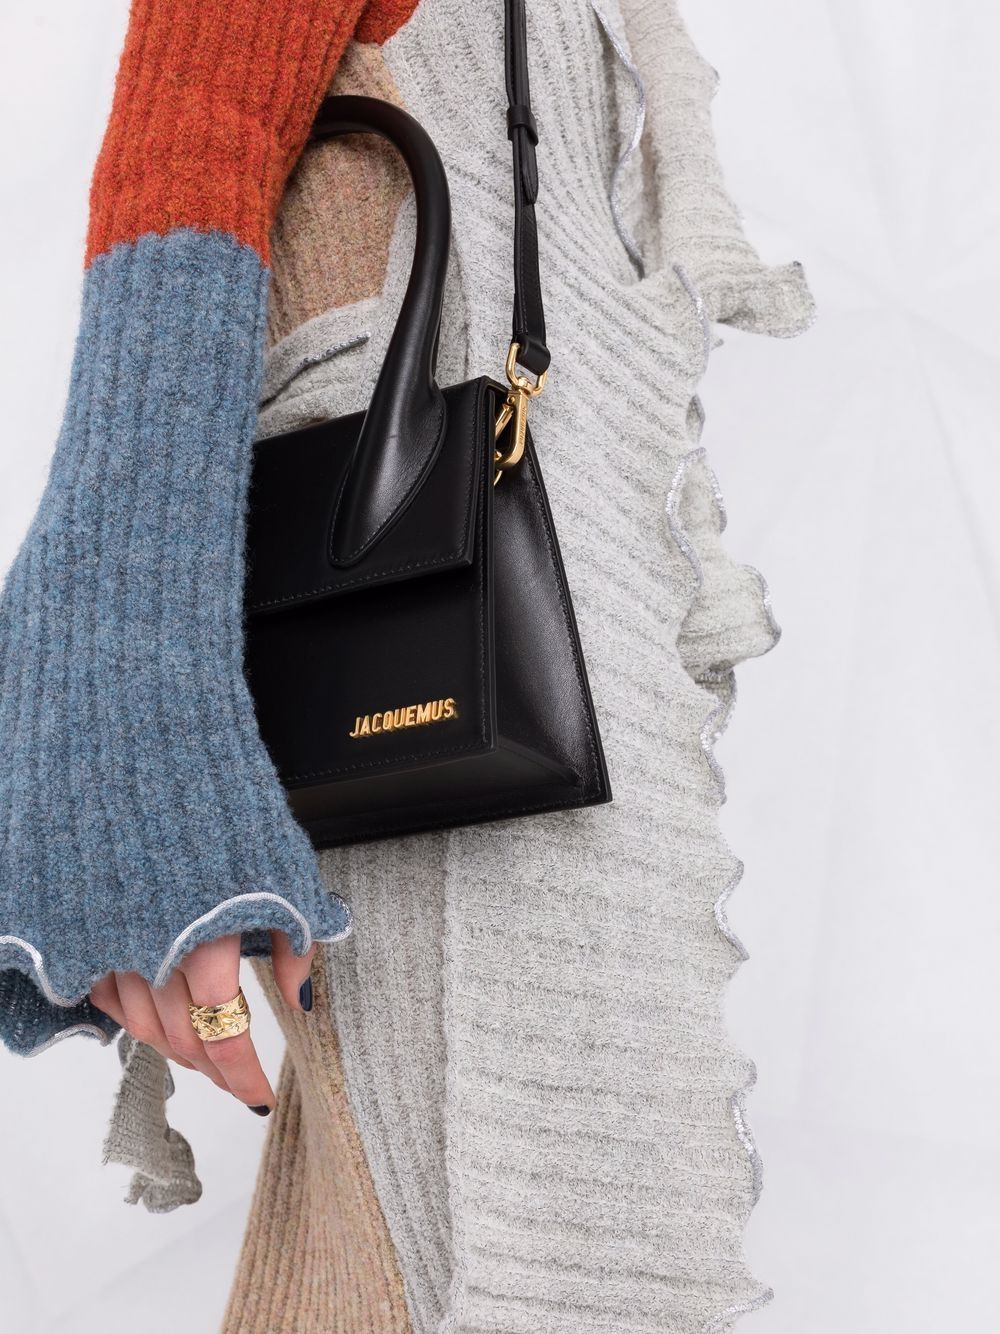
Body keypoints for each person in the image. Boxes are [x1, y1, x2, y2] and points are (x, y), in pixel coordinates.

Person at [0, 1, 814, 1329]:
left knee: (489, 1207)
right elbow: (198, 93)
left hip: (538, 359)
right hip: (412, 361)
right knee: (486, 1218)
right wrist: (123, 646)